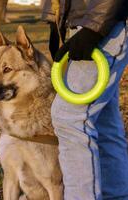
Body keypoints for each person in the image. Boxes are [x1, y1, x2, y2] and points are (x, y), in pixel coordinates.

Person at [41, 0, 128, 199]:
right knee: (104, 123)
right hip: (91, 21)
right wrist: (56, 24)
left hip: (104, 23)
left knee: (70, 118)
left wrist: (95, 28)